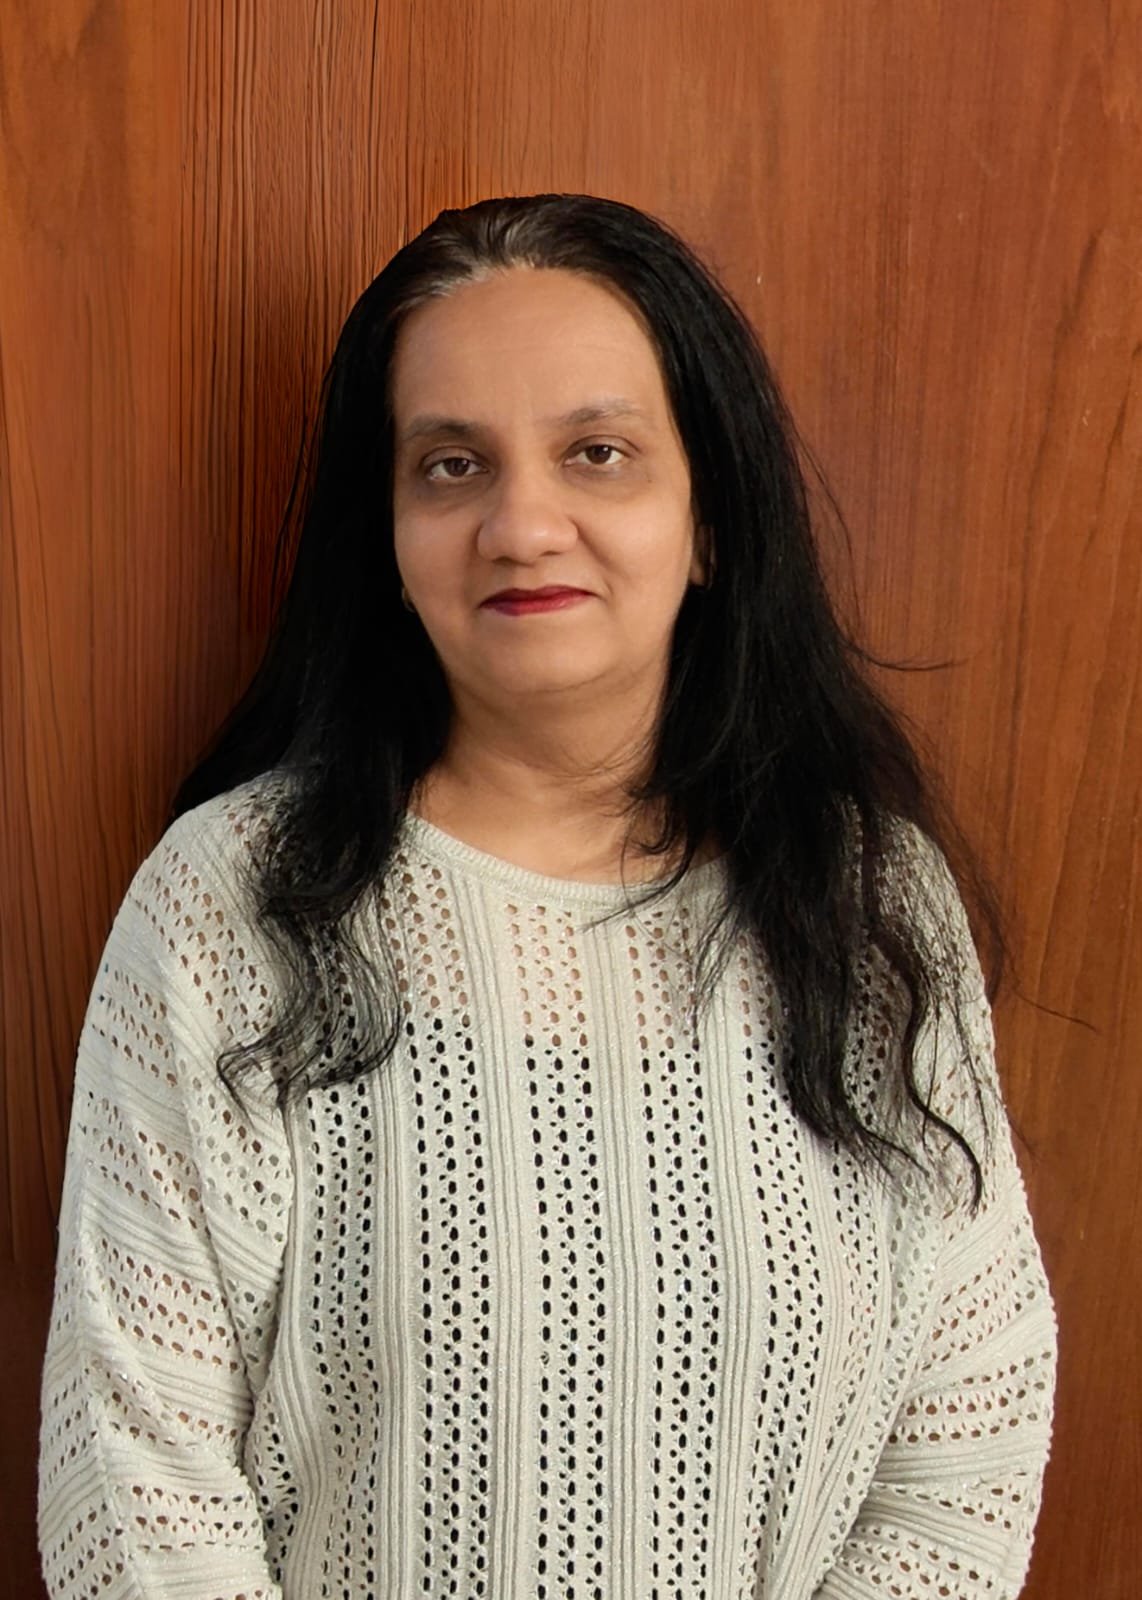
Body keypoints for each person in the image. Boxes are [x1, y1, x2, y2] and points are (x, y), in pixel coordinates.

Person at [38, 193, 1056, 1600]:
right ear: (389, 539)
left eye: (598, 453)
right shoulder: (231, 906)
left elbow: (968, 1440)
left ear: (708, 519)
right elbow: (135, 1484)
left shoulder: (870, 904)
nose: (522, 524)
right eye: (451, 466)